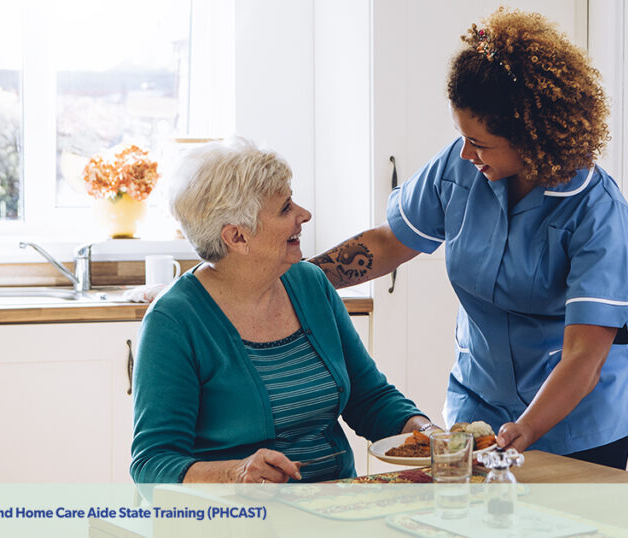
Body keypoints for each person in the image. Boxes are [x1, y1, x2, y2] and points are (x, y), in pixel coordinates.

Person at [309, 8, 628, 469]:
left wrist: (526, 429)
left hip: (577, 425)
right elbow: (388, 244)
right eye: (461, 136)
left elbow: (585, 355)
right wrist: (298, 278)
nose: (466, 152)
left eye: (481, 142)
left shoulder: (597, 212)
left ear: (531, 136)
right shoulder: (461, 165)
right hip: (479, 409)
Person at [130, 137, 435, 484]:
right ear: (237, 237)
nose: (304, 215)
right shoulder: (174, 321)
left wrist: (424, 431)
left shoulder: (310, 284)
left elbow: (369, 399)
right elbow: (152, 465)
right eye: (286, 208)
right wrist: (237, 473)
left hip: (334, 505)